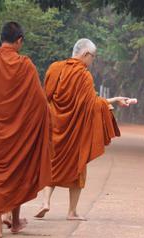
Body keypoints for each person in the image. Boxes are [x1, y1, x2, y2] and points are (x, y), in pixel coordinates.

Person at [35, 38, 132, 220]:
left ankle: (45, 202)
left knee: (52, 164)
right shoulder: (83, 75)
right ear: (86, 54)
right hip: (75, 130)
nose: (92, 61)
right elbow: (93, 104)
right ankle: (72, 212)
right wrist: (114, 101)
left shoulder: (55, 68)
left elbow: (46, 97)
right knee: (78, 167)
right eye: (93, 57)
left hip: (55, 127)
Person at [0, 22, 52, 238]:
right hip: (19, 134)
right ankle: (16, 221)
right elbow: (39, 102)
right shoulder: (25, 65)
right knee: (19, 174)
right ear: (19, 40)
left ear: (2, 38)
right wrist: (41, 125)